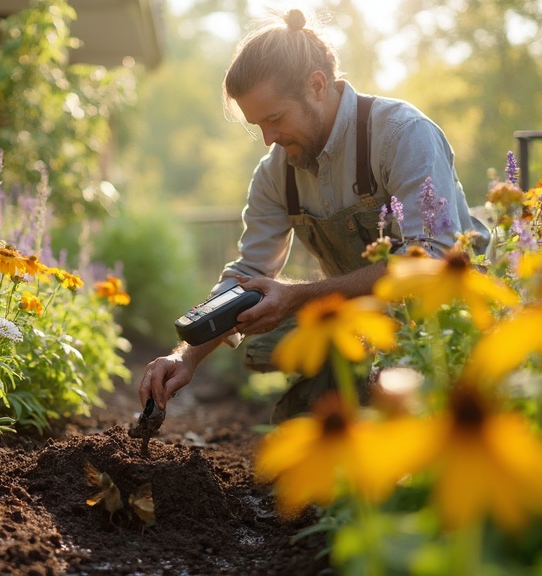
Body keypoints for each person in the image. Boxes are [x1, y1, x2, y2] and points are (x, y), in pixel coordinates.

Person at [138, 8, 489, 423]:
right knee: (259, 342)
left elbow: (431, 260)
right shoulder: (275, 173)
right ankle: (351, 399)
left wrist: (298, 297)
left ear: (317, 85)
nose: (268, 138)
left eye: (275, 119)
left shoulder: (402, 134)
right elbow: (248, 272)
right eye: (258, 126)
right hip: (363, 320)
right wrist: (186, 357)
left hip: (449, 320)